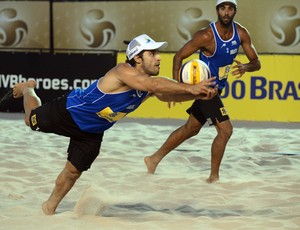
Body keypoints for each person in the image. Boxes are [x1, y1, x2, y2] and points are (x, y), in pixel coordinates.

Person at [12, 34, 218, 215]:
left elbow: (165, 94)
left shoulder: (147, 87)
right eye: (152, 53)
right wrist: (191, 88)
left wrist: (199, 94)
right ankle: (28, 89)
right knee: (30, 120)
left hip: (93, 131)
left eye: (157, 53)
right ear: (137, 58)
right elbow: (153, 84)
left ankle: (49, 207)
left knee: (72, 173)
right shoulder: (122, 71)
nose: (158, 57)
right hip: (68, 112)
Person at [144, 0, 261, 183]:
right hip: (205, 89)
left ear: (235, 11)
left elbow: (257, 63)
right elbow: (178, 57)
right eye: (222, 8)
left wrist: (246, 66)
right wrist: (177, 87)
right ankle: (213, 177)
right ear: (217, 10)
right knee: (226, 130)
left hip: (217, 89)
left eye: (230, 8)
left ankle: (153, 159)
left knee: (191, 129)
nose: (226, 12)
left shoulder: (241, 33)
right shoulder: (206, 36)